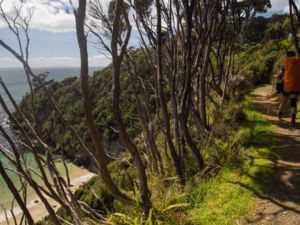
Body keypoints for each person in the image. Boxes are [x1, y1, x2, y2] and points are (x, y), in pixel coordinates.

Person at [277, 50, 300, 126]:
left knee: (283, 101)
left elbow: (283, 72)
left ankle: (280, 114)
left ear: (287, 56)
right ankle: (293, 120)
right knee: (293, 103)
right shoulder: (298, 60)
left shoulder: (287, 61)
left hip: (287, 85)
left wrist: (277, 77)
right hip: (297, 85)